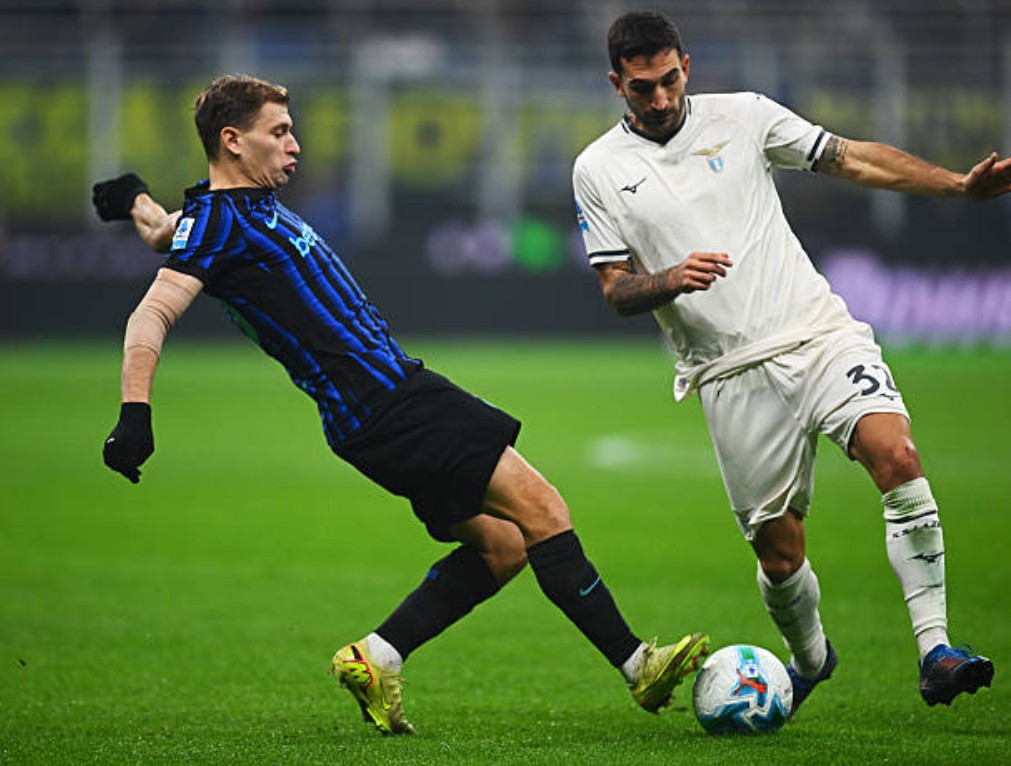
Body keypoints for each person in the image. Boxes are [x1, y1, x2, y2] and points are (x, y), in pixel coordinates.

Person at [93, 74, 710, 736]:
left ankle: (377, 656)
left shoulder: (219, 216)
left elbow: (165, 232)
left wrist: (134, 201)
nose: (295, 145)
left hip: (370, 415)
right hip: (390, 400)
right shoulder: (221, 224)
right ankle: (638, 666)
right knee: (543, 509)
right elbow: (152, 313)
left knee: (503, 545)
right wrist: (135, 414)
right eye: (279, 132)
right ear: (232, 140)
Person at [573, 11, 1008, 715]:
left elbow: (850, 157)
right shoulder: (598, 168)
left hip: (815, 333)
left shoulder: (743, 116)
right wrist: (671, 278)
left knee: (896, 456)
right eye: (641, 88)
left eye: (669, 80)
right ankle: (810, 660)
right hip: (727, 373)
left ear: (687, 65)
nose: (660, 98)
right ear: (616, 84)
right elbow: (615, 289)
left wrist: (957, 186)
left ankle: (935, 649)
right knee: (779, 556)